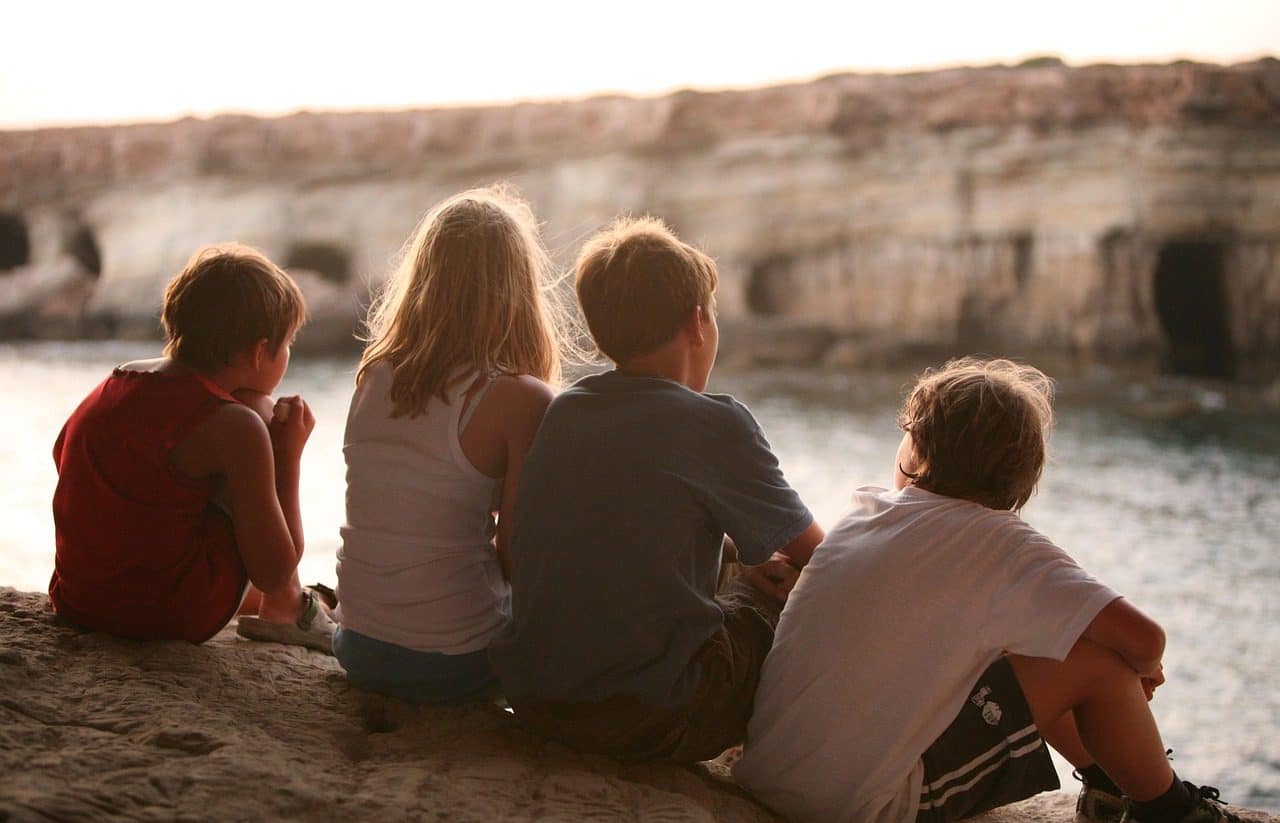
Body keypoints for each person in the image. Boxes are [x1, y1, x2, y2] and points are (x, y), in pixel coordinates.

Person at [734, 358, 1248, 823]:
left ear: (916, 445)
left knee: (1028, 638)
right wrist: (1140, 672)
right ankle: (1172, 812)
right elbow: (1146, 641)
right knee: (1098, 665)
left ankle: (1110, 785)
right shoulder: (1003, 544)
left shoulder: (864, 513)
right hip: (861, 807)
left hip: (772, 771)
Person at [488, 216, 824, 762]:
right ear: (697, 323)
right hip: (649, 721)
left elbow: (625, 524)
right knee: (773, 598)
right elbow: (825, 558)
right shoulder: (715, 424)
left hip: (537, 701)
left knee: (740, 573)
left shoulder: (566, 410)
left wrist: (737, 554)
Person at [333, 186, 571, 703]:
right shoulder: (519, 398)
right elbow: (519, 554)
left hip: (358, 645)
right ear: (519, 289)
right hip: (458, 662)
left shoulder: (374, 373)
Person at [50, 244, 333, 651]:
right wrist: (287, 455)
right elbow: (275, 571)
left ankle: (271, 601)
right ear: (259, 352)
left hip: (80, 600)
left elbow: (61, 452)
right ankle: (292, 611)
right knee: (256, 414)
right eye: (287, 344)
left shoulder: (115, 383)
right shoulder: (238, 426)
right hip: (166, 616)